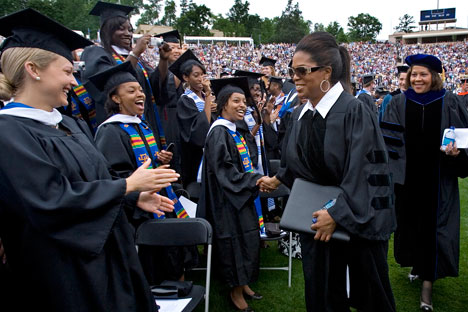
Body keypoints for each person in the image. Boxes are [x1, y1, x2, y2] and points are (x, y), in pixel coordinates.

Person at [0, 8, 179, 312]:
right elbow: (50, 201)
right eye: (67, 72)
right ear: (34, 70)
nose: (74, 81)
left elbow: (95, 181)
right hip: (66, 273)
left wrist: (132, 198)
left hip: (111, 257)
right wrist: (125, 186)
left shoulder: (69, 124)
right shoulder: (9, 132)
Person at [257, 32, 396, 312]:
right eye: (291, 71)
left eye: (301, 71)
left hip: (354, 223)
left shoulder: (355, 111)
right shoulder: (300, 114)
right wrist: (279, 177)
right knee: (323, 297)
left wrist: (337, 213)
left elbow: (367, 172)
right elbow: (300, 161)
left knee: (368, 297)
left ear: (326, 72)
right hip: (316, 224)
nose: (294, 77)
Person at [91, 61, 197, 285]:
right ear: (115, 98)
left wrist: (158, 160)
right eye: (131, 91)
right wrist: (139, 193)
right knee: (154, 269)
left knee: (175, 260)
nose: (139, 94)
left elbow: (143, 164)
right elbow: (113, 176)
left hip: (161, 201)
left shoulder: (141, 125)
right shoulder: (111, 131)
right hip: (139, 213)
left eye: (140, 89)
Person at [381, 54, 468, 311]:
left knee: (435, 230)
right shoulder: (397, 103)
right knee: (413, 227)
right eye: (414, 74)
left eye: (423, 74)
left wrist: (457, 154)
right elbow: (389, 142)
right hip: (407, 182)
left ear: (434, 77)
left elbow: (463, 140)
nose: (418, 79)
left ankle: (427, 287)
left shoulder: (449, 101)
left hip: (438, 181)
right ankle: (418, 266)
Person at [198, 77, 266, 312]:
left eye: (244, 101)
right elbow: (225, 171)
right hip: (226, 201)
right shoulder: (219, 133)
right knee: (235, 244)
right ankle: (235, 292)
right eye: (236, 101)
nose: (242, 105)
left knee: (248, 239)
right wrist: (255, 180)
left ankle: (243, 283)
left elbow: (248, 160)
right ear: (224, 103)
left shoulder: (235, 130)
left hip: (241, 195)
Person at [81, 1, 162, 144]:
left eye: (130, 30)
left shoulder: (137, 61)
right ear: (107, 31)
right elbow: (112, 84)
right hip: (116, 131)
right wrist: (135, 52)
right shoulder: (96, 53)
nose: (128, 34)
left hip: (143, 123)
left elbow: (156, 85)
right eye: (120, 29)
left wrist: (164, 60)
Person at [172, 49, 216, 187]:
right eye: (196, 75)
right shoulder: (185, 100)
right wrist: (208, 98)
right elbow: (200, 132)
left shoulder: (205, 99)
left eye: (202, 75)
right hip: (195, 158)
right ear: (186, 78)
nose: (200, 79)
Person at [149, 30, 184, 173]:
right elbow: (168, 93)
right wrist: (184, 60)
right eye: (171, 47)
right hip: (166, 119)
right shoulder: (158, 71)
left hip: (179, 119)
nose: (175, 51)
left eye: (178, 47)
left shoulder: (180, 69)